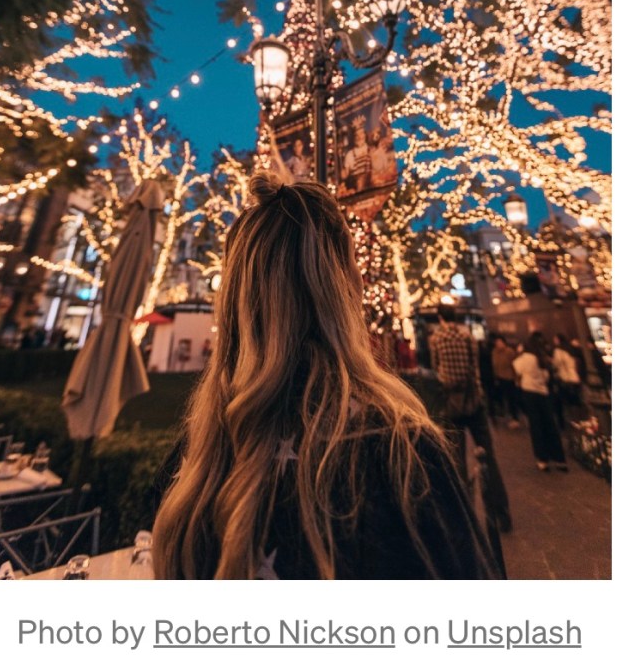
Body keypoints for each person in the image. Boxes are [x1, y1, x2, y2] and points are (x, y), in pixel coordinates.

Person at [152, 172, 500, 580]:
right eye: (353, 266)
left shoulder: (192, 466)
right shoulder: (399, 455)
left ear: (234, 304)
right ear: (343, 289)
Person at [429, 304, 512, 534]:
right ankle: (501, 513)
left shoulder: (436, 339)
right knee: (488, 456)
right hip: (474, 401)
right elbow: (475, 368)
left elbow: (437, 369)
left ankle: (464, 517)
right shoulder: (467, 336)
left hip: (452, 404)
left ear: (439, 317)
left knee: (457, 460)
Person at [512, 331, 568, 472]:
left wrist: (519, 353)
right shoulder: (543, 358)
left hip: (530, 393)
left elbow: (516, 368)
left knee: (536, 426)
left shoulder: (526, 358)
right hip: (544, 392)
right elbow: (548, 375)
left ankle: (542, 459)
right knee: (550, 425)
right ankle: (559, 458)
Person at [490, 335, 522, 428]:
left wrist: (516, 379)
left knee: (511, 399)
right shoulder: (494, 352)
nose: (498, 344)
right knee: (500, 398)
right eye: (496, 342)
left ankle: (515, 418)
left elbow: (515, 364)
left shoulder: (509, 352)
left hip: (509, 378)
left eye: (500, 342)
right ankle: (503, 414)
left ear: (504, 343)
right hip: (499, 378)